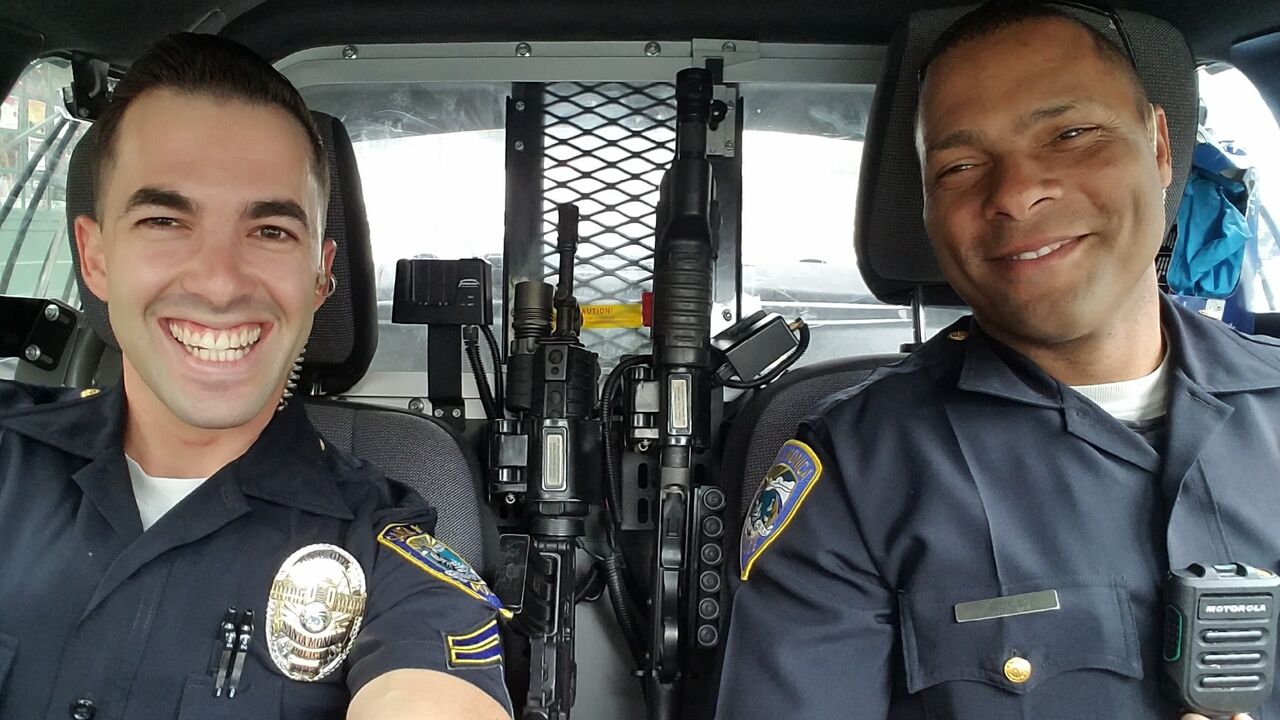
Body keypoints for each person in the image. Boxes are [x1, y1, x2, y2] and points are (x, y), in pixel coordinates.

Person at [715, 3, 1277, 719]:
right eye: (960, 166)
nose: (1014, 193)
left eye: (1071, 134)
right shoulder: (856, 474)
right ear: (925, 208)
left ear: (1161, 146)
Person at [0, 33, 511, 720]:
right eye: (163, 220)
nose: (218, 282)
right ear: (95, 258)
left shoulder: (392, 558)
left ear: (321, 272)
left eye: (270, 231)